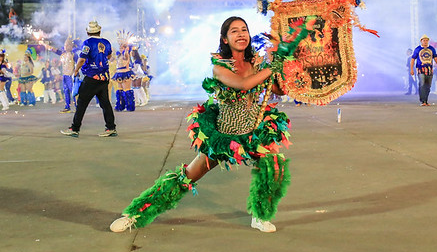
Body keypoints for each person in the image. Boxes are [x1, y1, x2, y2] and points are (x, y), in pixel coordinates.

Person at [110, 16, 304, 234]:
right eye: (234, 31)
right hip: (224, 136)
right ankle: (135, 214)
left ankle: (260, 215)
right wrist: (273, 67)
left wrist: (286, 63)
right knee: (187, 176)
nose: (241, 34)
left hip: (254, 131)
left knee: (273, 166)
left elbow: (279, 90)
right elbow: (242, 85)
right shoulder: (220, 67)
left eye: (244, 30)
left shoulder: (258, 63)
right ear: (224, 38)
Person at [61, 21, 117, 137]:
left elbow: (82, 59)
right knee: (105, 104)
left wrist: (76, 70)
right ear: (99, 31)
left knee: (81, 103)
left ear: (88, 32)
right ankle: (111, 127)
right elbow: (109, 56)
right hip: (104, 78)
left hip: (92, 77)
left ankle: (75, 128)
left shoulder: (87, 43)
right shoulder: (106, 42)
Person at [410, 35, 437, 106]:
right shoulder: (418, 49)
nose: (425, 42)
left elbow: (436, 58)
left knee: (428, 85)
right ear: (421, 41)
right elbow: (413, 59)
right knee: (422, 84)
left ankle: (426, 100)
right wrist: (411, 69)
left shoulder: (432, 49)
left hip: (429, 70)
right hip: (420, 69)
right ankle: (423, 101)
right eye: (424, 40)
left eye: (426, 40)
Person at [112, 35, 135, 112]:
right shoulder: (119, 55)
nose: (121, 49)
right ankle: (120, 106)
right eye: (120, 47)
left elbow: (126, 54)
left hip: (125, 73)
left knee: (127, 90)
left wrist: (127, 49)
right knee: (120, 91)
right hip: (118, 73)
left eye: (122, 48)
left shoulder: (126, 54)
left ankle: (129, 106)